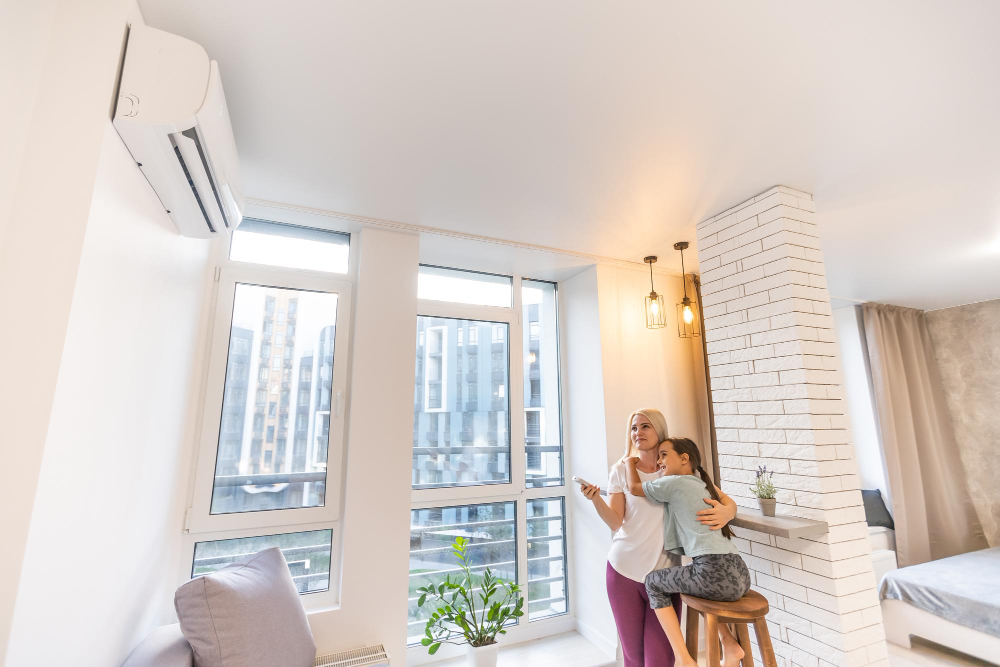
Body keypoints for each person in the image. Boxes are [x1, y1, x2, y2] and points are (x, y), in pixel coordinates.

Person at [579, 409, 737, 667]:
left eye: (645, 426)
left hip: (665, 576)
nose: (638, 432)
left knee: (661, 659)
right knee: (634, 658)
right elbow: (615, 522)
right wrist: (596, 500)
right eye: (634, 428)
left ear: (659, 430)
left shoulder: (680, 470)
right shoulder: (621, 470)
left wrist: (727, 513)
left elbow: (726, 501)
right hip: (623, 572)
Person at [626, 437, 751, 667]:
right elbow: (726, 499)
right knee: (695, 582)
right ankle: (729, 643)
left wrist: (628, 463)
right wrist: (729, 510)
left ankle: (683, 658)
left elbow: (634, 488)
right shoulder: (701, 481)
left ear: (684, 458)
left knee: (653, 582)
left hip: (714, 573)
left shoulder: (674, 483)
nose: (659, 460)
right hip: (741, 573)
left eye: (664, 455)